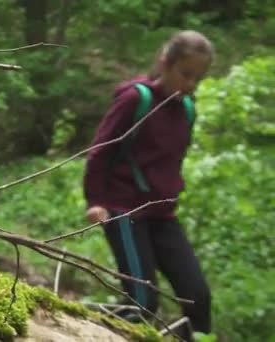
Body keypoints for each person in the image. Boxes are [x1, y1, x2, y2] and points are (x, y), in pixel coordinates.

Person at [83, 31, 214, 339]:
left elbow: (171, 161)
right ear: (164, 63)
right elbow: (101, 150)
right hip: (124, 209)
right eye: (186, 74)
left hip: (162, 215)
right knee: (143, 303)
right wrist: (95, 201)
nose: (192, 84)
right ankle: (77, 320)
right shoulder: (134, 99)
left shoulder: (187, 110)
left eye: (199, 77)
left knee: (198, 298)